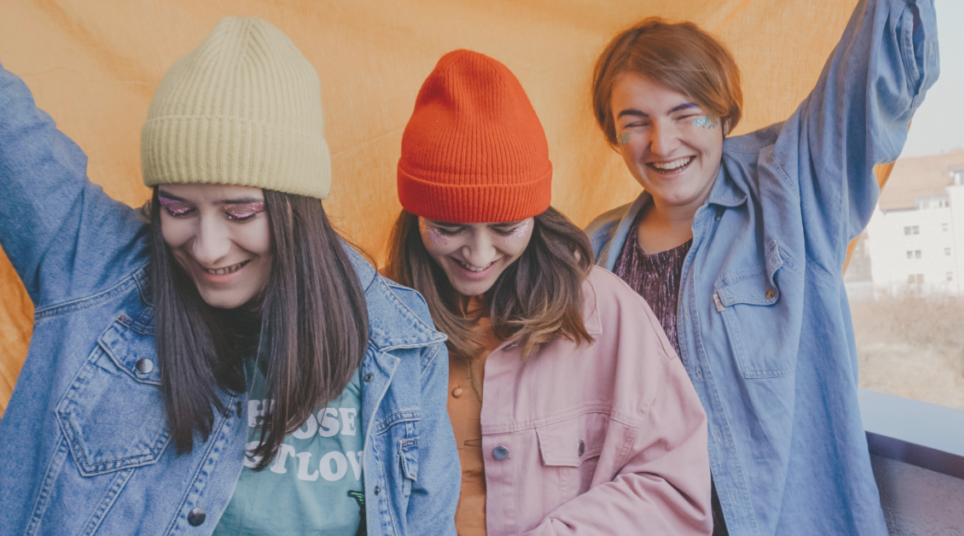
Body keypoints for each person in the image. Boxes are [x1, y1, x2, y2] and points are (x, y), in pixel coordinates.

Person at [0, 17, 458, 536]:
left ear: (295, 210)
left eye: (239, 212)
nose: (207, 247)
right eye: (178, 208)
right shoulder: (94, 266)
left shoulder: (401, 341)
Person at [585, 0, 939, 534]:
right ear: (615, 137)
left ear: (724, 112)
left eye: (686, 115)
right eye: (635, 124)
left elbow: (869, 75)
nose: (662, 143)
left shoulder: (790, 191)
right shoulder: (593, 252)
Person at [384, 49, 711, 536]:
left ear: (536, 216)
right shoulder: (371, 320)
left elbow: (674, 491)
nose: (477, 254)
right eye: (449, 228)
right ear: (416, 217)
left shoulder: (608, 314)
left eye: (505, 227)